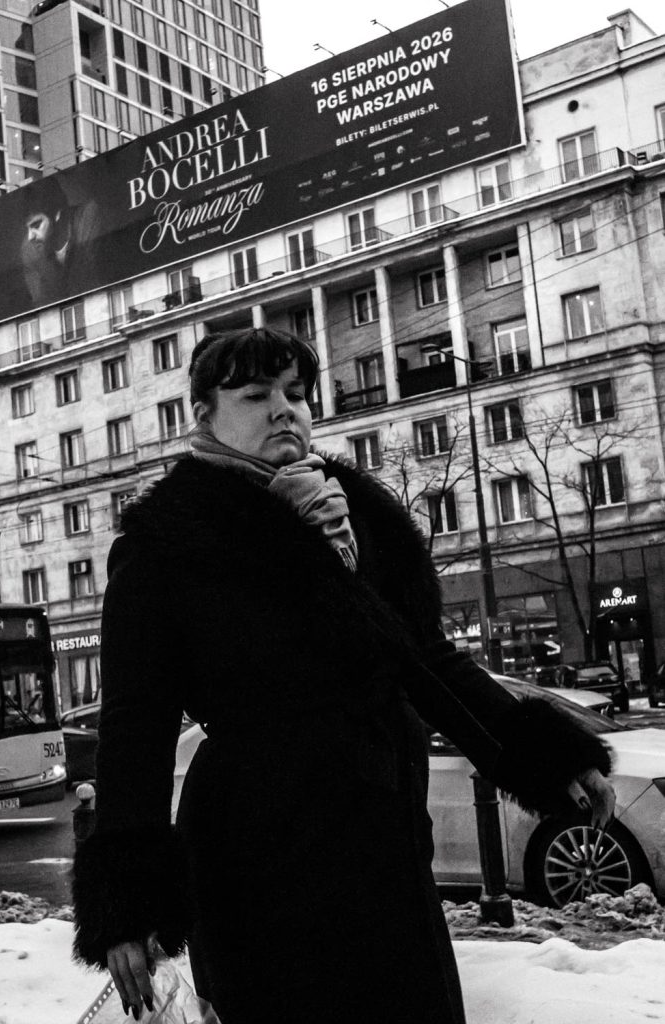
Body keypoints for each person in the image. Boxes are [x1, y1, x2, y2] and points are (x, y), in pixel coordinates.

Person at [72, 328, 615, 1024]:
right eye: (255, 395)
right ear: (204, 415)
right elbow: (136, 727)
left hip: (386, 848)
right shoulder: (166, 543)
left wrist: (550, 757)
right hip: (257, 862)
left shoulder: (353, 517)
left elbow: (429, 663)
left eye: (296, 393)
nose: (284, 410)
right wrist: (128, 904)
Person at [19, 176, 102, 306]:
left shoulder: (87, 218)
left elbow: (93, 282)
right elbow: (43, 305)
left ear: (57, 214)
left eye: (36, 225)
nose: (30, 237)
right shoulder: (29, 250)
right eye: (28, 228)